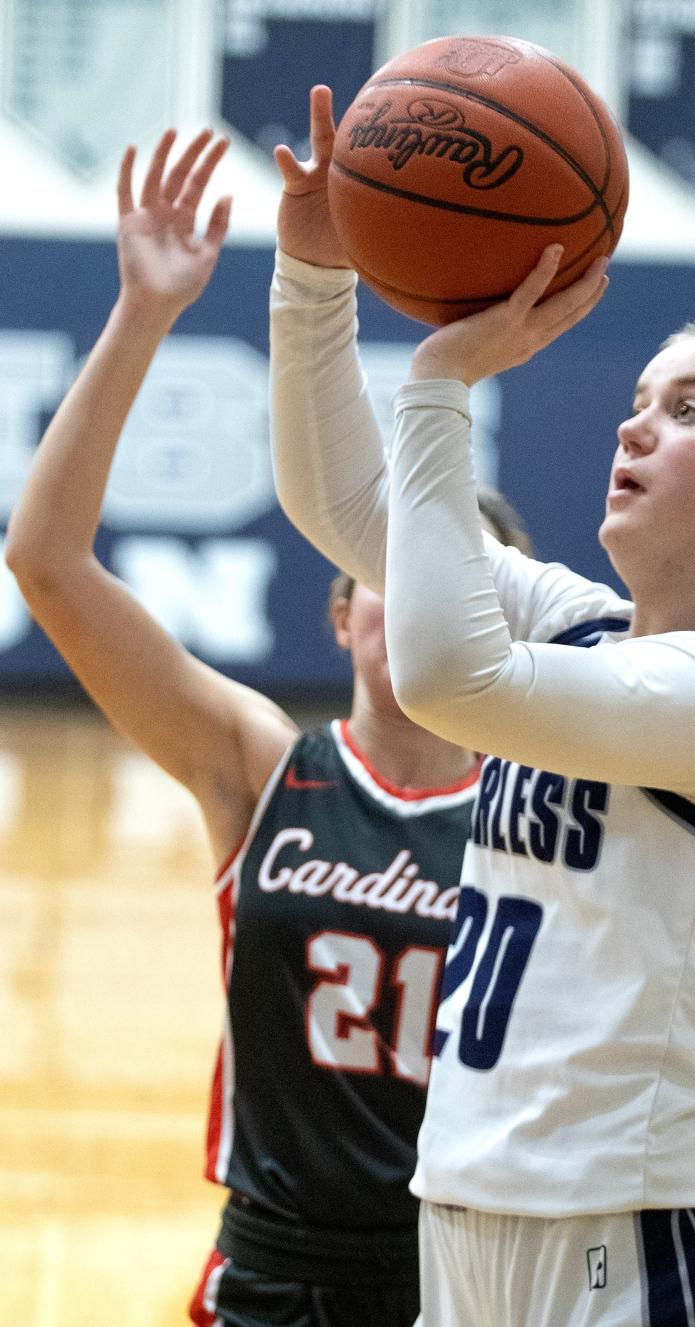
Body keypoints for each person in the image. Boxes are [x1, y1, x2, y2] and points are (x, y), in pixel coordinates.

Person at [268, 85, 695, 1327]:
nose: (636, 424)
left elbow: (448, 676)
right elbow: (343, 513)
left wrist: (443, 377)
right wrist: (315, 276)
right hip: (472, 1212)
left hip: (648, 1239)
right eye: (639, 398)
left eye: (688, 411)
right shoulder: (578, 623)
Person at [2, 127, 528, 1327]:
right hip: (270, 1273)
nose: (440, 600)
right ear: (344, 612)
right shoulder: (258, 764)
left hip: (464, 1281)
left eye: (478, 580)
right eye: (406, 569)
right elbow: (44, 563)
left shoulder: (534, 813)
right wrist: (143, 313)